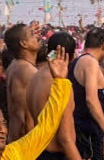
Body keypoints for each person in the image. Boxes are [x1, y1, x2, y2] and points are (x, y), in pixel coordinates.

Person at [28, 31, 83, 160]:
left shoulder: (35, 77)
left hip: (38, 151)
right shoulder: (61, 84)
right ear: (73, 56)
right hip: (56, 153)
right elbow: (65, 138)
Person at [71, 27, 104, 160]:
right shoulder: (90, 62)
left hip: (85, 128)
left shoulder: (79, 60)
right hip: (89, 129)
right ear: (103, 45)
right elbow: (91, 100)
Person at [3, 22, 43, 143]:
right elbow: (24, 117)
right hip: (24, 143)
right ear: (23, 43)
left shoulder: (16, 64)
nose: (37, 37)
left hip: (16, 141)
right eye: (32, 35)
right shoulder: (26, 70)